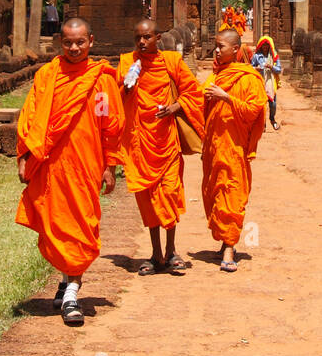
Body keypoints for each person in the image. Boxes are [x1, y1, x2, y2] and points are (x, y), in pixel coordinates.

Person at [15, 17, 124, 326]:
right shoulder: (48, 76)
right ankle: (69, 283)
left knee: (81, 225)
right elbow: (31, 118)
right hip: (52, 166)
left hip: (86, 166)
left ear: (91, 41)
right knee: (56, 224)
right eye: (68, 43)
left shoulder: (101, 80)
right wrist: (25, 156)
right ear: (58, 44)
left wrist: (110, 166)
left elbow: (110, 126)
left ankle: (72, 289)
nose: (74, 48)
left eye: (80, 42)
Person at [112, 18, 204, 276]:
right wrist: (127, 88)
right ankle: (155, 254)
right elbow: (115, 97)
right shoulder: (127, 63)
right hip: (141, 142)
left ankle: (172, 250)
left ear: (158, 38)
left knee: (171, 194)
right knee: (149, 200)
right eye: (138, 38)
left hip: (167, 142)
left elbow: (192, 91)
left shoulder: (171, 62)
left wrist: (175, 107)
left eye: (147, 37)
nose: (142, 42)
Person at [201, 28, 267, 272]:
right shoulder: (216, 76)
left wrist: (226, 97)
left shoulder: (249, 78)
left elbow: (253, 111)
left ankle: (229, 248)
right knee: (215, 193)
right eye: (216, 46)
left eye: (222, 47)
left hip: (234, 147)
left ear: (236, 50)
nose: (217, 51)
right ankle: (223, 241)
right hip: (214, 146)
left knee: (232, 192)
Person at [250, 34, 282, 130]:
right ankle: (262, 123)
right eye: (263, 45)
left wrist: (271, 67)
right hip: (260, 82)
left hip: (270, 83)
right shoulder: (256, 56)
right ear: (260, 46)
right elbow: (250, 67)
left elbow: (279, 70)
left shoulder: (274, 56)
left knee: (272, 104)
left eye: (267, 45)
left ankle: (272, 119)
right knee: (261, 104)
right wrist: (256, 68)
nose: (265, 47)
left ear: (270, 46)